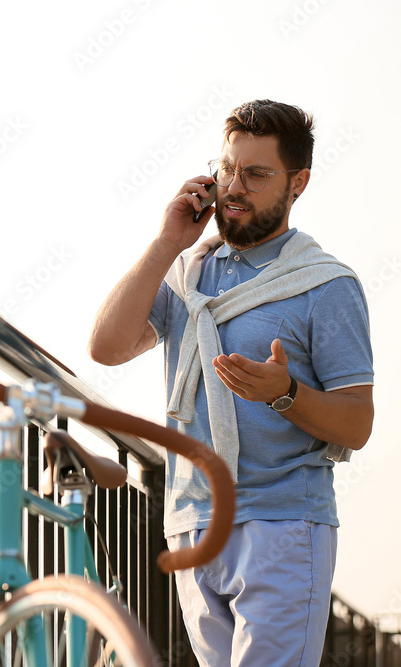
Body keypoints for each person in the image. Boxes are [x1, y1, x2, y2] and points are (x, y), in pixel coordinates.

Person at [88, 99, 375, 666]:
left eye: (256, 174)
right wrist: (167, 241)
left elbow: (357, 423)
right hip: (193, 525)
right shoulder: (189, 274)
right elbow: (107, 346)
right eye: (226, 169)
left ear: (298, 183)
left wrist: (283, 394)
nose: (234, 187)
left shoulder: (327, 285)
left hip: (284, 523)